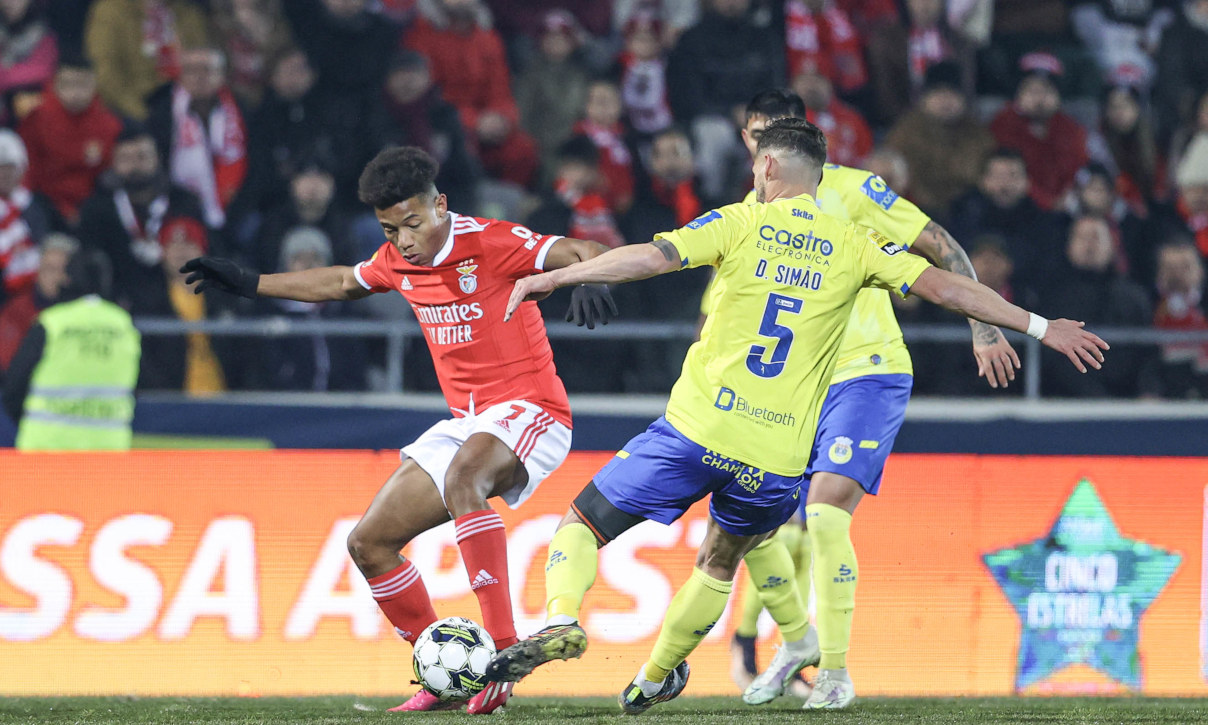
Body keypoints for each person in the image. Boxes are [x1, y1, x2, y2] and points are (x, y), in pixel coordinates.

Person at [483, 117, 1108, 713]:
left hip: (696, 429)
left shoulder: (740, 223)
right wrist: (1038, 325)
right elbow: (946, 284)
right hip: (777, 459)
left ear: (770, 165)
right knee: (721, 561)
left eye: (758, 164)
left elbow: (650, 257)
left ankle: (562, 617)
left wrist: (560, 280)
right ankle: (650, 680)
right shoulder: (857, 243)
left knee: (582, 523)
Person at [179, 146, 616, 714]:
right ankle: (442, 675)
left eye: (412, 223)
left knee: (464, 480)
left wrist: (584, 274)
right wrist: (249, 282)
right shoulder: (396, 260)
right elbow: (340, 281)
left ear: (440, 205)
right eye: (391, 229)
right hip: (469, 423)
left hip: (532, 410)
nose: (404, 240)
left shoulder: (491, 240)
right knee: (369, 544)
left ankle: (503, 657)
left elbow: (584, 246)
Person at [715, 89, 1017, 701]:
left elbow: (941, 245)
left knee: (824, 515)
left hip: (867, 369)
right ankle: (785, 644)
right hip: (791, 387)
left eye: (774, 131)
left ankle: (833, 673)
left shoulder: (854, 190)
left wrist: (984, 329)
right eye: (754, 134)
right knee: (757, 521)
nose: (764, 146)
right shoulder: (747, 214)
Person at [2, 249, 141, 450]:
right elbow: (137, 386)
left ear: (67, 279)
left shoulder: (52, 323)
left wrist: (33, 423)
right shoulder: (124, 325)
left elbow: (13, 389)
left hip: (47, 449)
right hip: (107, 451)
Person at [76, 122, 208, 315]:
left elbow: (204, 251)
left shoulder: (183, 202)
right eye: (125, 159)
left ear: (158, 158)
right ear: (113, 163)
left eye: (142, 157)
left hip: (177, 305)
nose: (134, 166)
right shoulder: (96, 209)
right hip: (118, 305)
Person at [146, 47, 250, 230]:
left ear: (222, 76)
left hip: (238, 202)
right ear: (181, 76)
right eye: (191, 70)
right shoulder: (162, 113)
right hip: (177, 205)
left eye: (207, 70)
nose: (199, 77)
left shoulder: (241, 110)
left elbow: (255, 159)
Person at [17, 54, 123, 226]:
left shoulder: (111, 125)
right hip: (48, 208)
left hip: (95, 209)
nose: (75, 93)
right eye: (67, 85)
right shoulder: (35, 121)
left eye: (82, 85)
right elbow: (27, 174)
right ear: (55, 84)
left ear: (95, 84)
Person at [989, 53, 1091, 210]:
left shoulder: (1071, 129)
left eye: (1047, 91)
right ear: (1018, 94)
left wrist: (1067, 199)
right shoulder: (1002, 125)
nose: (1039, 99)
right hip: (1016, 208)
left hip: (1065, 210)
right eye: (1031, 91)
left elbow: (1079, 171)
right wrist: (1048, 203)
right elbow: (1008, 178)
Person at [83, 0, 210, 120]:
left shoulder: (188, 12)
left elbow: (205, 65)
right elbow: (104, 73)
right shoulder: (110, 12)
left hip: (189, 109)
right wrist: (141, 114)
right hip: (139, 110)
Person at [0, 233, 77, 373]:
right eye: (50, 269)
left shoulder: (82, 311)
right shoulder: (16, 310)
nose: (57, 277)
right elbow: (8, 364)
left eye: (64, 270)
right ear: (38, 270)